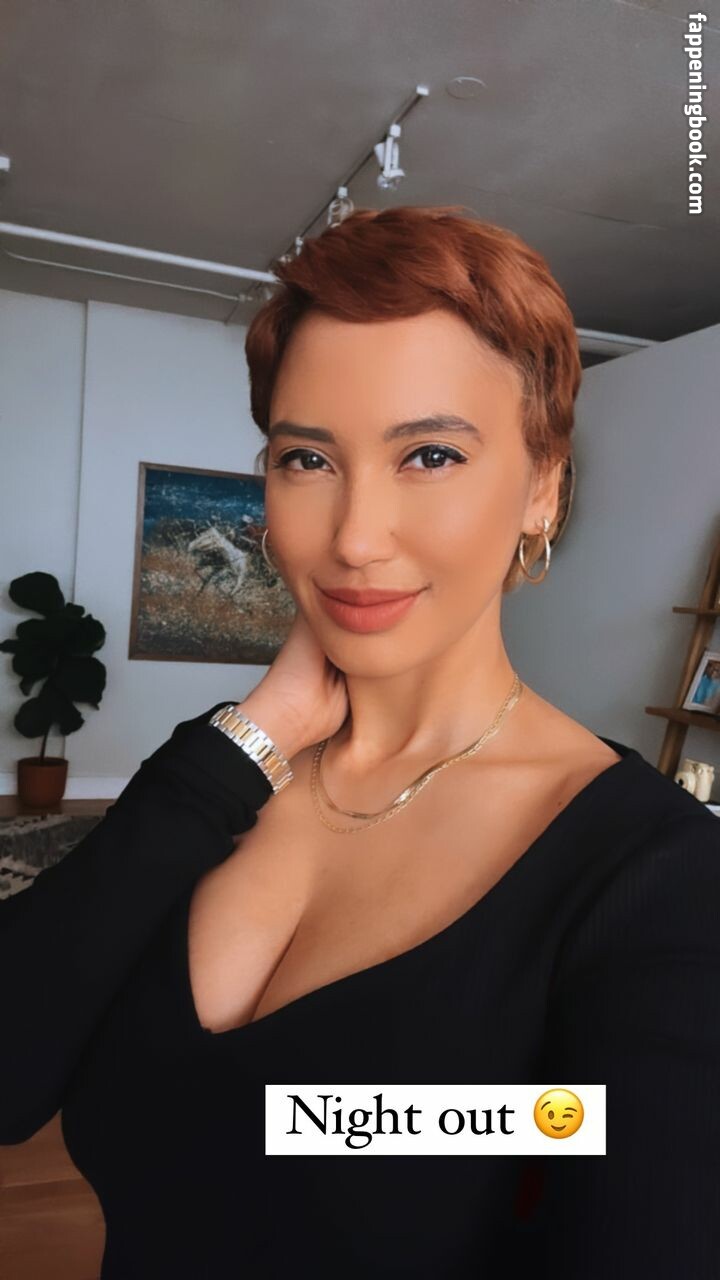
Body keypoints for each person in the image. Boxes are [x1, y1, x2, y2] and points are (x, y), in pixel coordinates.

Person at [1, 204, 719, 1279]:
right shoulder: (223, 764)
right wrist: (258, 731)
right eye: (307, 458)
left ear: (542, 486)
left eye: (429, 454)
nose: (354, 538)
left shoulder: (659, 878)